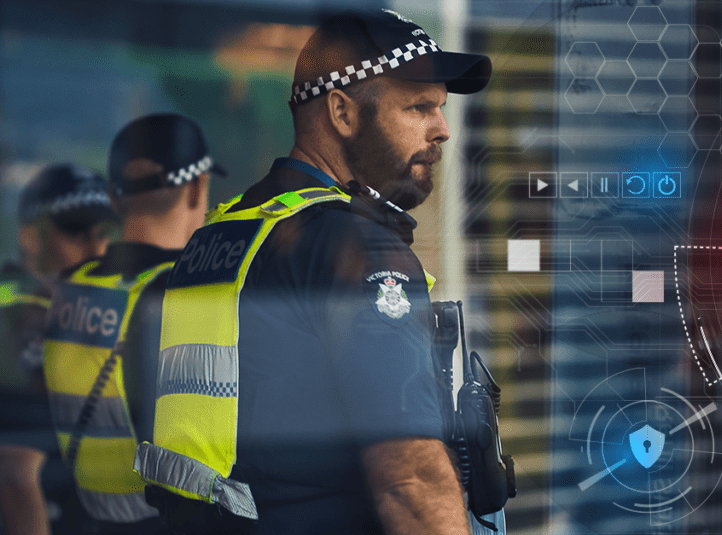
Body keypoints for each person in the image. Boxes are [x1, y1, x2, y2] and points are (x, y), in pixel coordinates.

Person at [134, 8, 491, 535]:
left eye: (440, 108)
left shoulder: (222, 235)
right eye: (419, 107)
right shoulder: (354, 245)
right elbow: (411, 482)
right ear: (342, 112)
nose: (442, 129)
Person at [41, 114, 224, 534]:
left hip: (85, 514)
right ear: (198, 187)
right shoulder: (182, 295)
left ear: (114, 198)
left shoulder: (73, 285)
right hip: (157, 520)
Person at [0, 163, 117, 535]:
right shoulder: (15, 316)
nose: (96, 249)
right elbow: (16, 470)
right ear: (30, 239)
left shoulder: (113, 315)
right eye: (75, 231)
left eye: (105, 233)